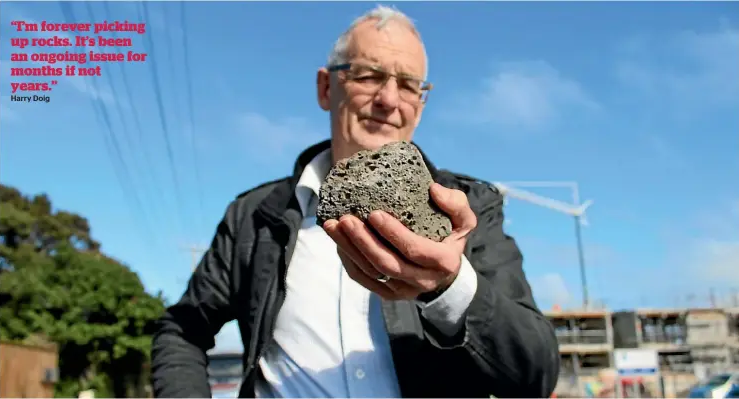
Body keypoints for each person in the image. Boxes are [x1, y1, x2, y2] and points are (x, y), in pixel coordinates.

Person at [151, 5, 559, 398]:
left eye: (409, 85)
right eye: (368, 75)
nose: (389, 99)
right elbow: (183, 330)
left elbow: (535, 373)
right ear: (327, 88)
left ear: (420, 103)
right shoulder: (254, 217)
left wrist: (449, 287)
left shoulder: (470, 208)